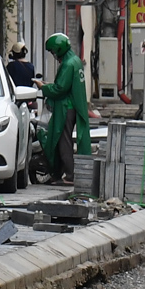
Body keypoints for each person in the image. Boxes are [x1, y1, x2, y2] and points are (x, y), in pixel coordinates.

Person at [38, 32, 91, 183]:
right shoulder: (75, 61)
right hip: (74, 106)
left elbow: (60, 89)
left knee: (63, 141)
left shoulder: (68, 65)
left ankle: (70, 175)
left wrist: (43, 87)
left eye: (53, 51)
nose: (54, 55)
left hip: (66, 107)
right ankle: (68, 172)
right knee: (66, 140)